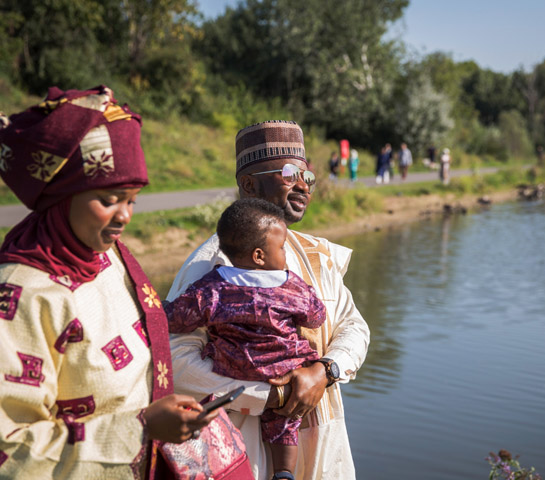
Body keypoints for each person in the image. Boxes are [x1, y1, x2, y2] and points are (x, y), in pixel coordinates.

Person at [0, 86, 219, 478]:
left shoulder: (107, 256)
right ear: (60, 197)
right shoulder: (22, 296)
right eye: (109, 199)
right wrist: (141, 428)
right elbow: (10, 448)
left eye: (132, 200)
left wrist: (161, 411)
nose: (125, 216)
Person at [167, 120, 370, 480]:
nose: (302, 185)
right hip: (245, 448)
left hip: (324, 440)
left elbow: (353, 326)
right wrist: (270, 397)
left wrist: (325, 371)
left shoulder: (312, 253)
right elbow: (176, 365)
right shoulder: (213, 266)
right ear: (248, 185)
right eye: (290, 173)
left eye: (307, 176)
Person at [165, 198, 327, 480]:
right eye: (282, 247)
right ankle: (285, 472)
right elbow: (316, 316)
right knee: (285, 420)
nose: (286, 253)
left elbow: (178, 318)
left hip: (235, 365)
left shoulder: (213, 286)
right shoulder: (290, 286)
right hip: (282, 372)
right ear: (259, 256)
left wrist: (155, 306)